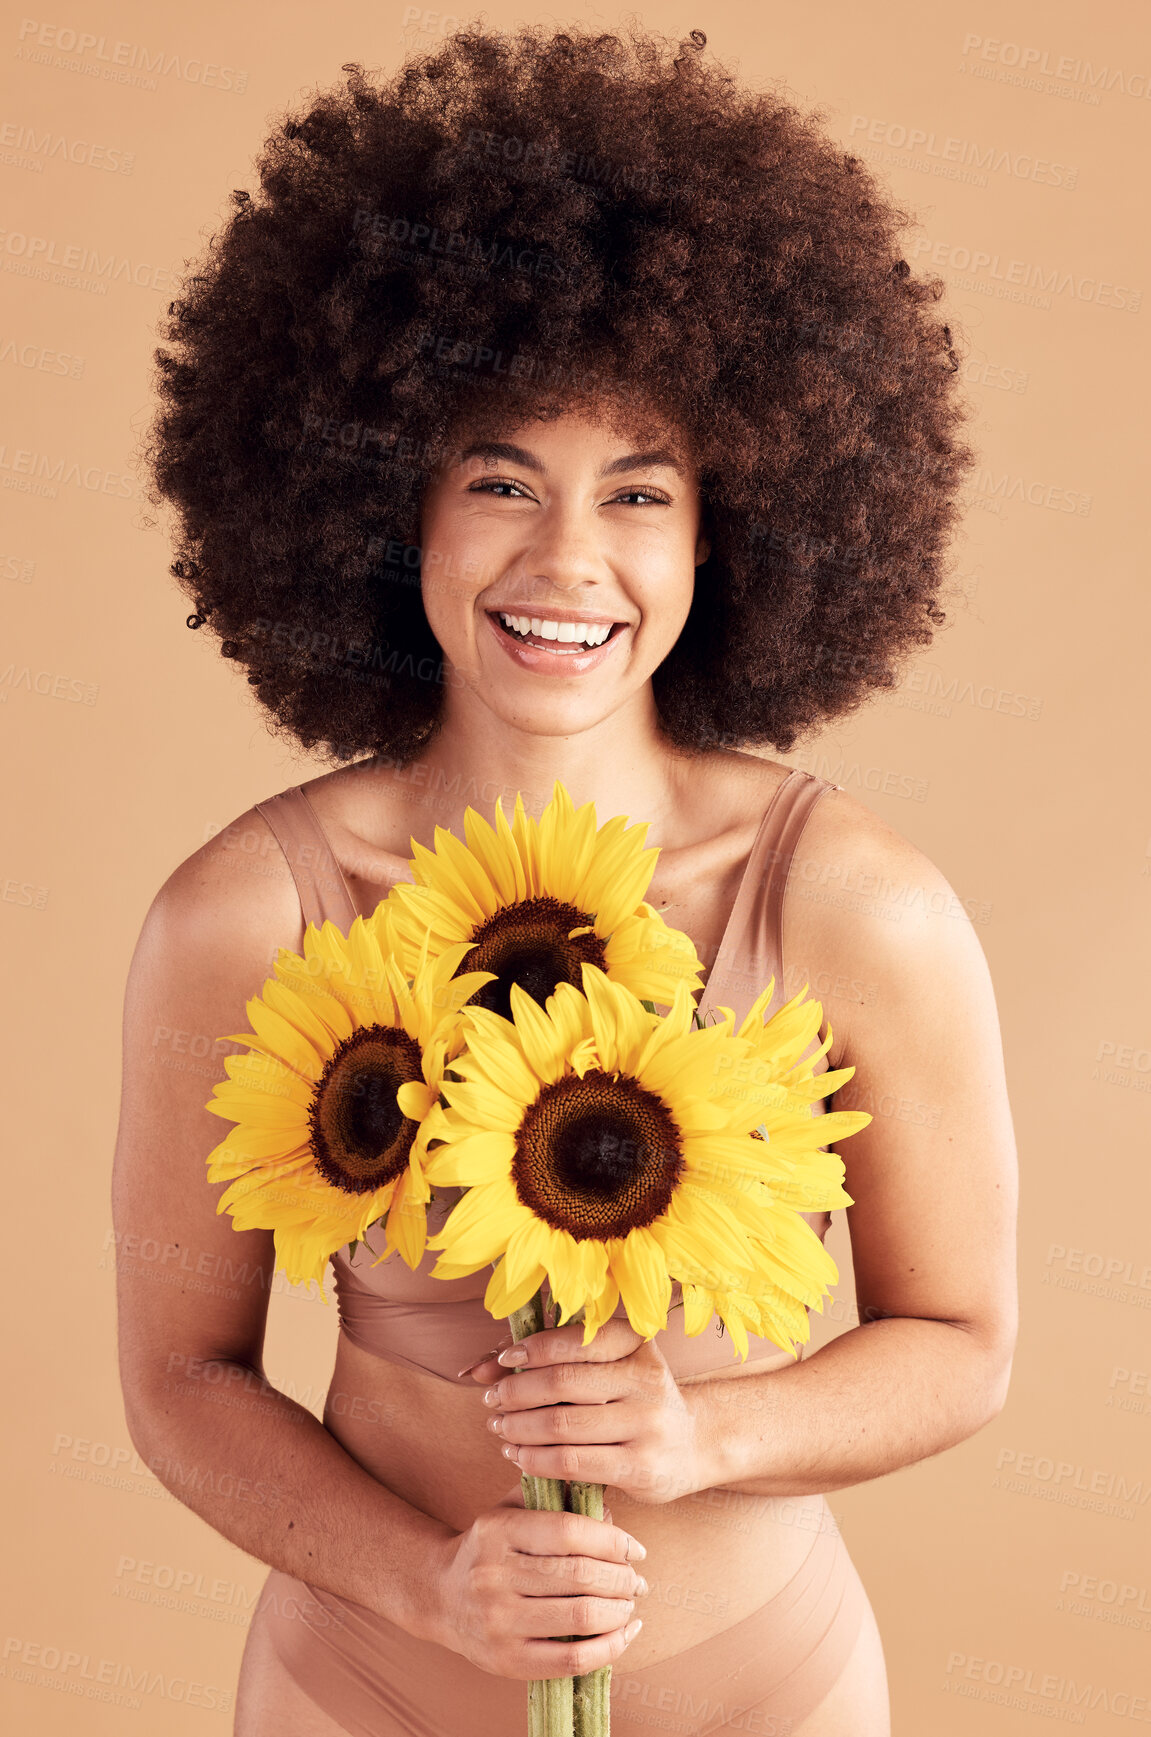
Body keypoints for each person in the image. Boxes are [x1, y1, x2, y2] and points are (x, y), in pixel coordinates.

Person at [115, 22, 1017, 1735]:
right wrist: (426, 1589)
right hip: (362, 1677)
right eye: (502, 480)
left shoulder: (851, 900)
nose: (568, 562)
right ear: (394, 508)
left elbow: (962, 1336)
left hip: (775, 1687)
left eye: (641, 493)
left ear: (727, 532)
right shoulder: (242, 915)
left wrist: (710, 1435)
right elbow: (179, 1378)